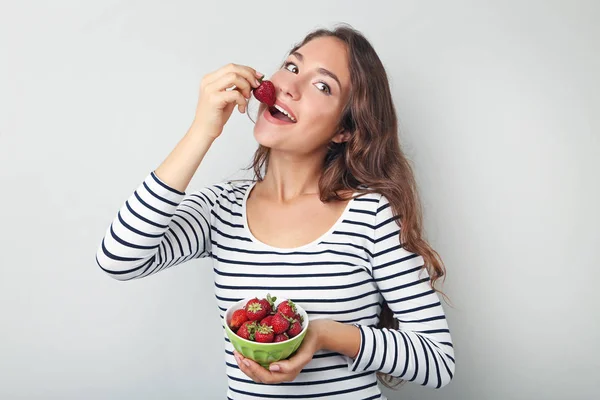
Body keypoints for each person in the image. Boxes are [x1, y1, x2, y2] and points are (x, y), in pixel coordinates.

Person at [96, 23, 455, 399]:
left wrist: (321, 333)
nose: (290, 86)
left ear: (344, 130)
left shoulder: (371, 216)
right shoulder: (223, 208)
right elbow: (118, 259)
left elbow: (436, 360)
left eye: (322, 85)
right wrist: (202, 131)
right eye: (293, 66)